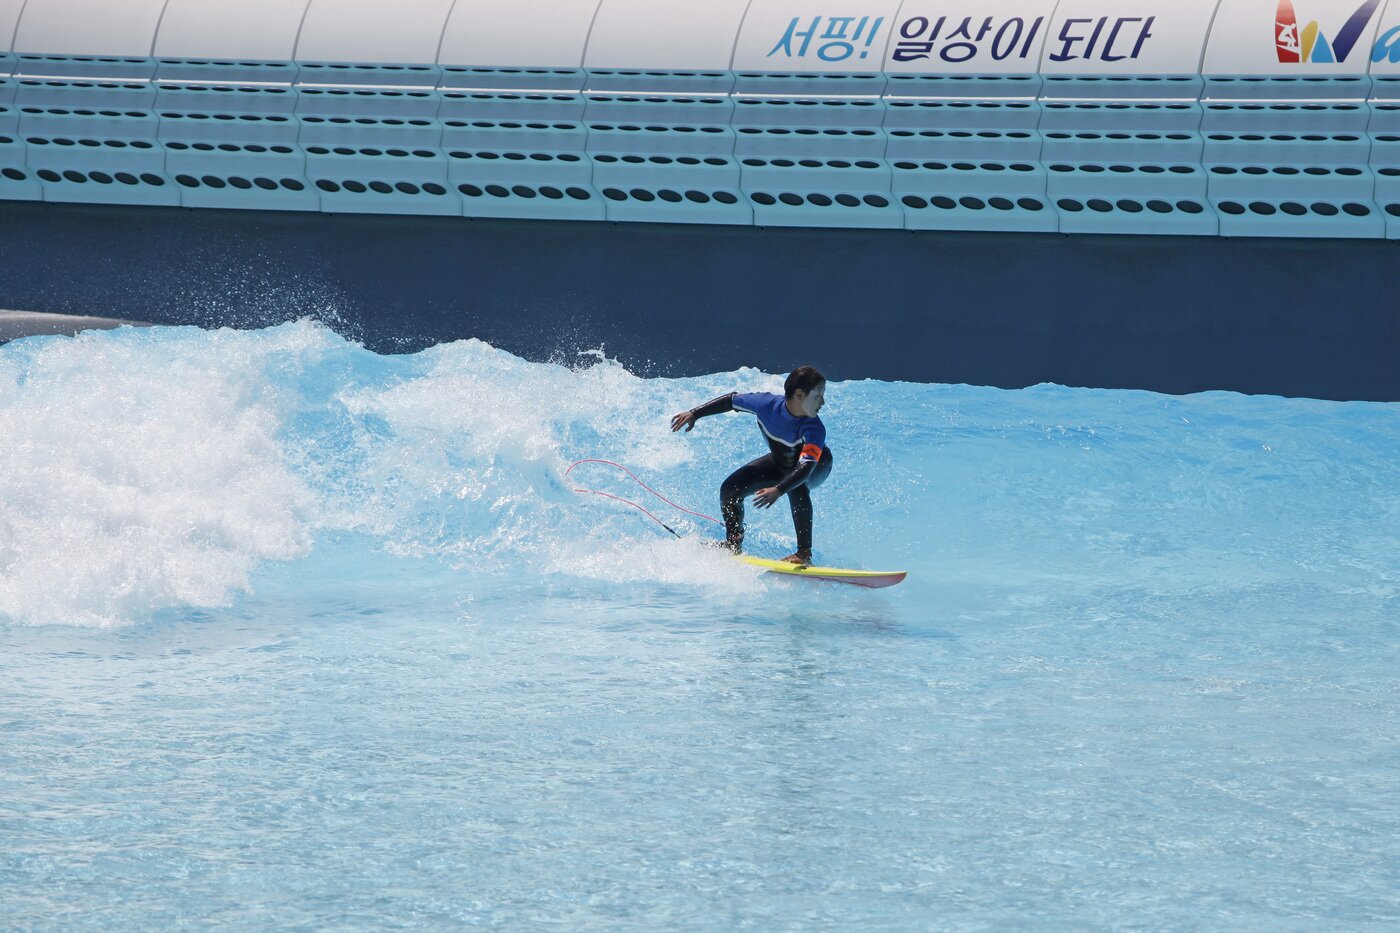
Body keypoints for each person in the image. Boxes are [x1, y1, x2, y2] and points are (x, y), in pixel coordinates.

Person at [670, 365, 833, 566]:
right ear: (799, 395)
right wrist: (695, 413)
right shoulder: (765, 404)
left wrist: (779, 489)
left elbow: (806, 468)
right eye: (818, 396)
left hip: (817, 466)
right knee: (730, 488)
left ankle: (804, 554)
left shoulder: (814, 428)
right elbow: (730, 401)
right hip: (781, 462)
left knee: (797, 485)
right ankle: (733, 543)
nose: (823, 402)